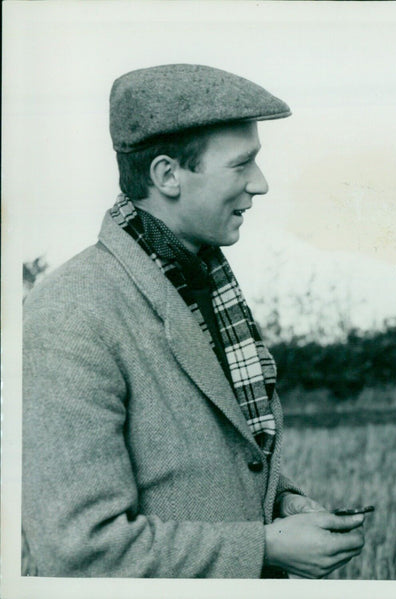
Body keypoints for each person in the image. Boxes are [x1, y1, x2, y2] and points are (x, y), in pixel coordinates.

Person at [22, 64, 366, 578]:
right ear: (167, 176)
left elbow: (204, 468)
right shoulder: (71, 312)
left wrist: (282, 504)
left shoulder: (201, 284)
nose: (261, 184)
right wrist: (264, 547)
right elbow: (79, 550)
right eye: (241, 164)